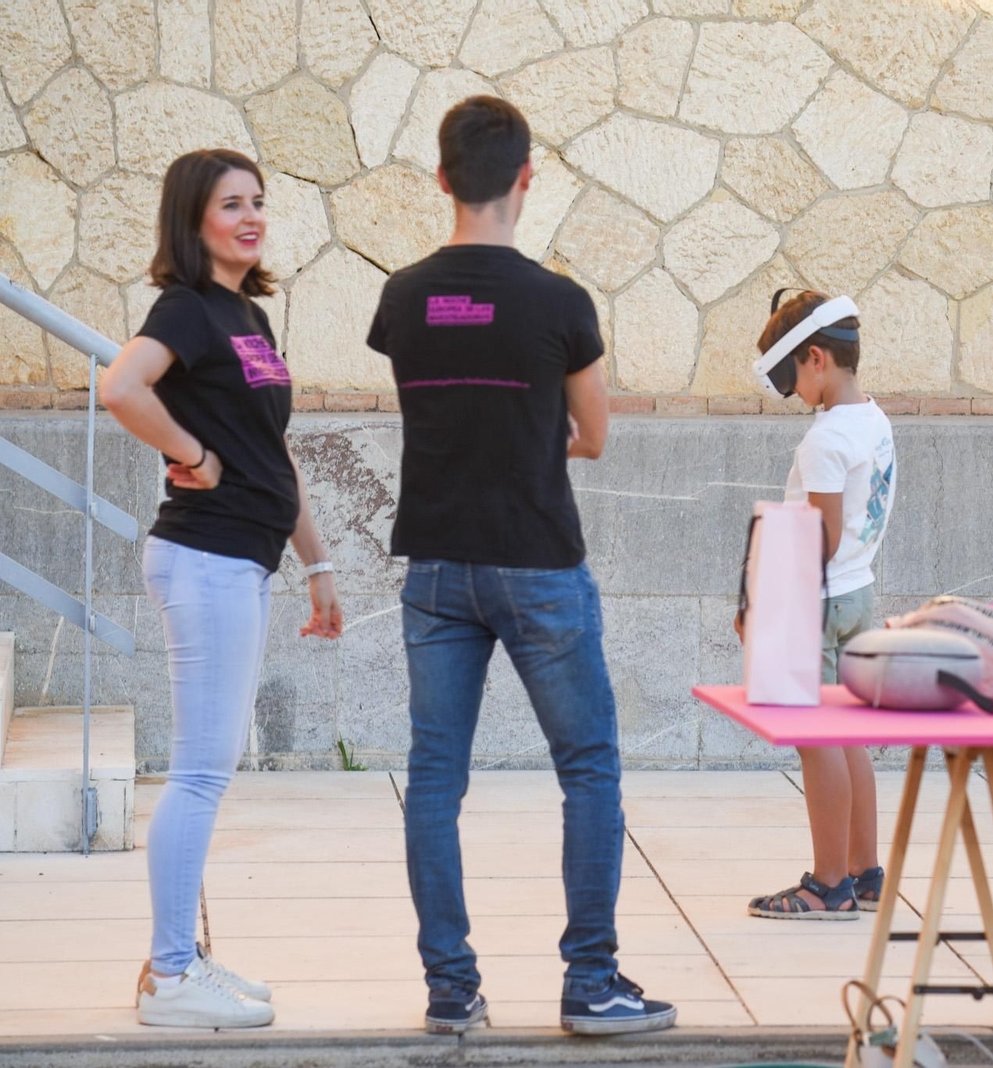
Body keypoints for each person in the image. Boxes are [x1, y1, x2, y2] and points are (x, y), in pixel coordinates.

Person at [366, 96, 676, 1038]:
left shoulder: (403, 296)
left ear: (442, 178)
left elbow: (433, 407)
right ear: (527, 178)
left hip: (436, 567)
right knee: (588, 768)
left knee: (433, 778)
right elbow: (593, 436)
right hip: (539, 561)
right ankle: (590, 983)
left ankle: (450, 992)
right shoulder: (561, 303)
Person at [100, 148, 344, 1028]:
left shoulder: (246, 317)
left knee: (211, 766)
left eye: (257, 202)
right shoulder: (189, 310)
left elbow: (275, 455)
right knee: (201, 773)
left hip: (241, 558)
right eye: (230, 204)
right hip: (204, 558)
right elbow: (121, 388)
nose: (250, 217)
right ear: (192, 219)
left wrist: (316, 564)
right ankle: (170, 977)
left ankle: (179, 960)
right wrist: (190, 454)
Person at [741, 290, 897, 919]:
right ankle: (863, 874)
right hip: (858, 591)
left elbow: (818, 538)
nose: (789, 395)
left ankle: (826, 883)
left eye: (787, 380)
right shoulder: (875, 421)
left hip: (821, 599)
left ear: (815, 359)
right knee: (847, 734)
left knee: (816, 739)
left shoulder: (825, 440)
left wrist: (761, 607)